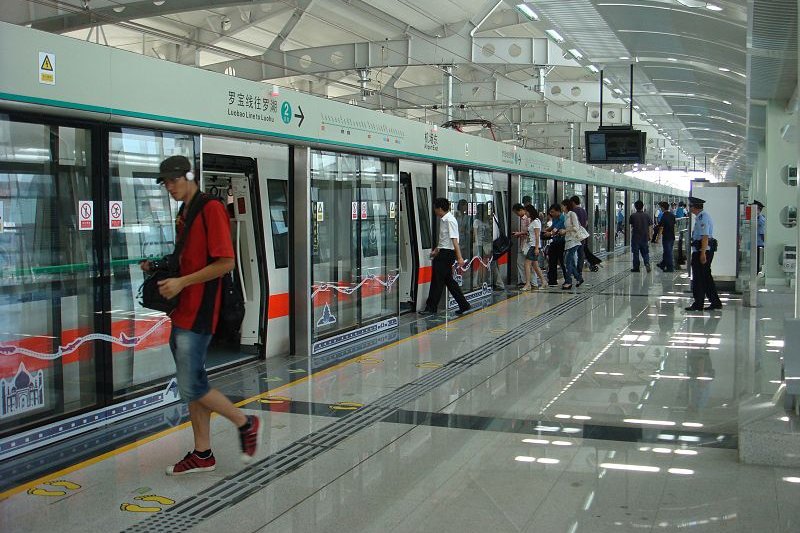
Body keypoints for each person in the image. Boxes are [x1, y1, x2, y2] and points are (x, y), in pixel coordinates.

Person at [141, 155, 259, 476]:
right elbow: (189, 257)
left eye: (173, 180)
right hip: (182, 311)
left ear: (190, 176)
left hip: (200, 313)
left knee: (192, 385)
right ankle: (203, 454)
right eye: (165, 182)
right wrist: (162, 266)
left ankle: (245, 422)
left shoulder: (211, 209)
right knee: (194, 383)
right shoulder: (186, 212)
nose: (169, 187)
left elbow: (225, 262)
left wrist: (182, 281)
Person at [420, 197, 470, 316]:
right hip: (443, 252)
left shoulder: (450, 220)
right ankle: (464, 304)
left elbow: (454, 240)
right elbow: (444, 240)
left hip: (447, 254)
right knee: (449, 281)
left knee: (437, 281)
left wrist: (459, 258)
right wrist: (436, 250)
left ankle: (431, 307)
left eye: (435, 209)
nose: (435, 211)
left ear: (440, 208)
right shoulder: (444, 220)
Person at [685, 196, 722, 312]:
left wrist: (702, 254)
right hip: (703, 250)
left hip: (703, 251)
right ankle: (715, 302)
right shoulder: (700, 217)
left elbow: (705, 237)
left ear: (694, 207)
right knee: (706, 278)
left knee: (698, 278)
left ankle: (698, 303)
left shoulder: (702, 218)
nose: (689, 208)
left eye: (690, 206)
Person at [571, 195, 601, 272]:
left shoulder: (574, 211)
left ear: (573, 202)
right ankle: (580, 268)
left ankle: (575, 269)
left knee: (575, 253)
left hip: (576, 235)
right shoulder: (583, 210)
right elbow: (586, 223)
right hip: (583, 235)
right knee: (582, 252)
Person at [521, 205, 547, 291]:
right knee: (535, 266)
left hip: (533, 246)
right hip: (532, 245)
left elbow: (537, 235)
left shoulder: (536, 222)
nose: (525, 213)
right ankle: (543, 281)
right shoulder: (532, 221)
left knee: (527, 264)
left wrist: (536, 248)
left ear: (530, 212)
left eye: (526, 211)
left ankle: (528, 284)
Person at [561, 198, 585, 290]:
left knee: (567, 261)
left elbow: (576, 227)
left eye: (562, 206)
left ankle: (568, 281)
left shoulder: (572, 214)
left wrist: (565, 230)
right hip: (568, 241)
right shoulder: (566, 215)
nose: (562, 207)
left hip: (574, 241)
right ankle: (579, 278)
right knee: (570, 262)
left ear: (566, 206)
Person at [542, 204, 567, 287]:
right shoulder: (555, 218)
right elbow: (553, 226)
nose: (551, 213)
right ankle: (552, 280)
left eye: (552, 212)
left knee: (562, 262)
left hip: (562, 242)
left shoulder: (562, 218)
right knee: (552, 260)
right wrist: (545, 230)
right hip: (555, 241)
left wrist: (550, 233)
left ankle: (567, 280)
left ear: (558, 211)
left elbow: (556, 228)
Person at [629, 199, 652, 273]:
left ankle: (636, 268)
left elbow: (632, 226)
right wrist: (650, 236)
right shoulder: (647, 215)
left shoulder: (633, 216)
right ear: (643, 206)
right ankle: (647, 263)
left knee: (635, 253)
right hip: (644, 237)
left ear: (635, 207)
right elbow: (650, 227)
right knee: (645, 252)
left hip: (635, 238)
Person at [512, 203, 530, 287]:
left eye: (516, 213)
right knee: (519, 262)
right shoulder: (521, 219)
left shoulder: (527, 219)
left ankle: (529, 281)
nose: (517, 215)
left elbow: (529, 232)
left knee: (528, 264)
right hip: (522, 243)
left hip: (527, 244)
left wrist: (520, 233)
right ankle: (523, 280)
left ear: (521, 210)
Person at [655, 201, 676, 272]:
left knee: (668, 252)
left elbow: (661, 228)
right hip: (672, 236)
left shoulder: (664, 216)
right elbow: (674, 226)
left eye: (661, 207)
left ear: (663, 208)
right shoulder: (672, 215)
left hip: (666, 237)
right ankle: (663, 264)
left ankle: (670, 268)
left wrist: (658, 238)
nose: (660, 209)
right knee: (667, 251)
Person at [754, 200, 765, 274]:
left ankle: (757, 273)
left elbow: (762, 234)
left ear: (758, 210)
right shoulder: (756, 218)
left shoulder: (761, 220)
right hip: (756, 243)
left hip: (759, 244)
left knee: (758, 261)